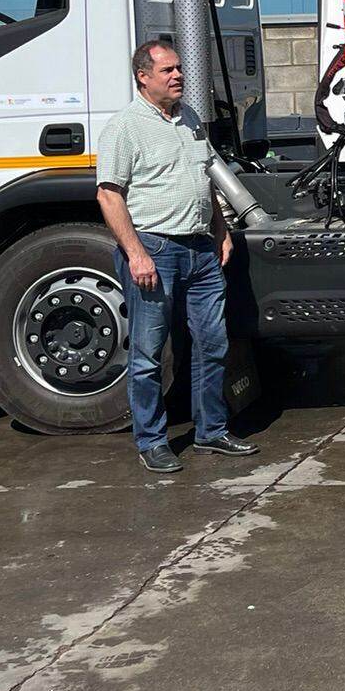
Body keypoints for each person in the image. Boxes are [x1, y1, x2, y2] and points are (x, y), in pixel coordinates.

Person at [95, 41, 259, 473]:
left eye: (180, 68)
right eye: (167, 69)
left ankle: (211, 432)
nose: (178, 75)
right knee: (149, 354)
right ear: (143, 77)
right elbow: (109, 195)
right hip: (156, 250)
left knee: (213, 344)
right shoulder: (125, 128)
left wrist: (220, 230)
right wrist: (136, 254)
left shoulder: (188, 119)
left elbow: (205, 179)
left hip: (200, 250)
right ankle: (151, 441)